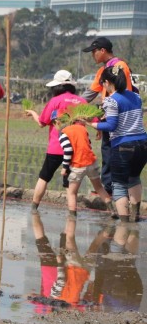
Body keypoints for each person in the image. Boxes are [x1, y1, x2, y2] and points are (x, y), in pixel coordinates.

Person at [84, 66, 147, 222]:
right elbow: (128, 116)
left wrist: (92, 124)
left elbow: (111, 125)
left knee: (118, 185)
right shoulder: (136, 97)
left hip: (123, 146)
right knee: (134, 179)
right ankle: (135, 216)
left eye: (102, 84)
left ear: (106, 82)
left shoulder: (111, 100)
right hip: (142, 144)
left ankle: (125, 224)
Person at [24, 70, 86, 213]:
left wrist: (33, 112)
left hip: (56, 147)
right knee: (70, 184)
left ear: (57, 87)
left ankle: (34, 208)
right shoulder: (81, 101)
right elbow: (93, 120)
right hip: (76, 149)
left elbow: (42, 122)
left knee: (44, 177)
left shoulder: (55, 101)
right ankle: (72, 214)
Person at [81, 37, 134, 196]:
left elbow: (126, 93)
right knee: (107, 152)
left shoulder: (120, 66)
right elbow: (89, 95)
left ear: (103, 50)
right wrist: (72, 106)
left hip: (119, 117)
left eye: (94, 52)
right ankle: (108, 188)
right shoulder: (102, 70)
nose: (93, 56)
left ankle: (118, 190)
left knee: (118, 153)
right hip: (107, 116)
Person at [58, 116, 117, 219]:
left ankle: (72, 216)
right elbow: (88, 145)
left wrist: (64, 167)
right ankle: (112, 210)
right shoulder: (82, 128)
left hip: (78, 165)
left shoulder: (64, 132)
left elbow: (68, 150)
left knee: (72, 193)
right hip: (91, 162)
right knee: (99, 188)